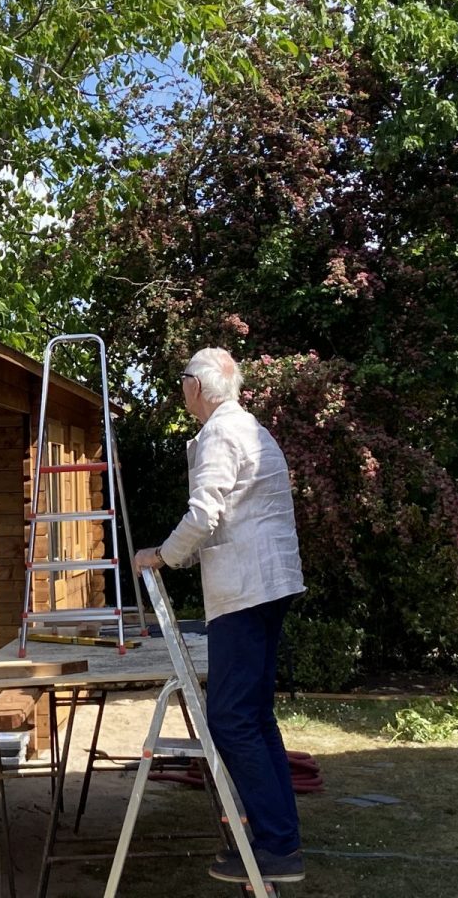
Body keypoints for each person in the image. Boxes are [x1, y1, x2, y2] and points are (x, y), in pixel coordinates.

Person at [132, 347, 307, 886]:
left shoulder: (218, 435)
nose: (181, 389)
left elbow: (205, 513)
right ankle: (278, 840)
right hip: (269, 585)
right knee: (253, 716)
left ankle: (276, 845)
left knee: (230, 719)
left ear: (199, 388)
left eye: (184, 379)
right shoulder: (249, 427)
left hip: (245, 591)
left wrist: (160, 556)